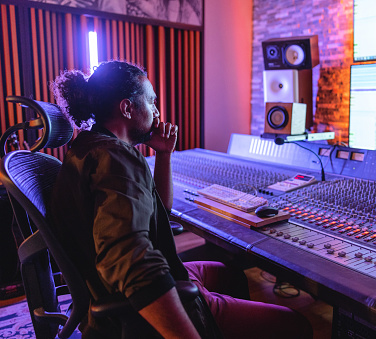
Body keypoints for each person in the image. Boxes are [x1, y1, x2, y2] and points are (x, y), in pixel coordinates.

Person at [50, 60, 313, 339]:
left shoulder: (89, 146)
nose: (157, 111)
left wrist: (164, 154)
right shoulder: (117, 158)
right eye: (151, 101)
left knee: (230, 274)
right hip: (132, 316)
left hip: (110, 292)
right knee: (296, 325)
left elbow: (159, 210)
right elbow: (129, 260)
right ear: (127, 108)